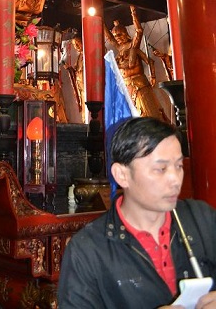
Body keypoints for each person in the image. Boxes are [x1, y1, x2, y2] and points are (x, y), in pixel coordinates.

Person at [58, 117, 216, 308]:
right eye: (160, 169)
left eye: (179, 166)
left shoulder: (202, 218)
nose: (175, 179)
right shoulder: (88, 249)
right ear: (122, 175)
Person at [104, 5, 167, 120]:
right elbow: (109, 38)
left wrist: (133, 12)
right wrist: (101, 23)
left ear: (125, 33)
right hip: (125, 86)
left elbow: (139, 31)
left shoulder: (133, 46)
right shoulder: (119, 48)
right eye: (115, 36)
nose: (117, 38)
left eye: (119, 34)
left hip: (139, 85)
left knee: (147, 112)